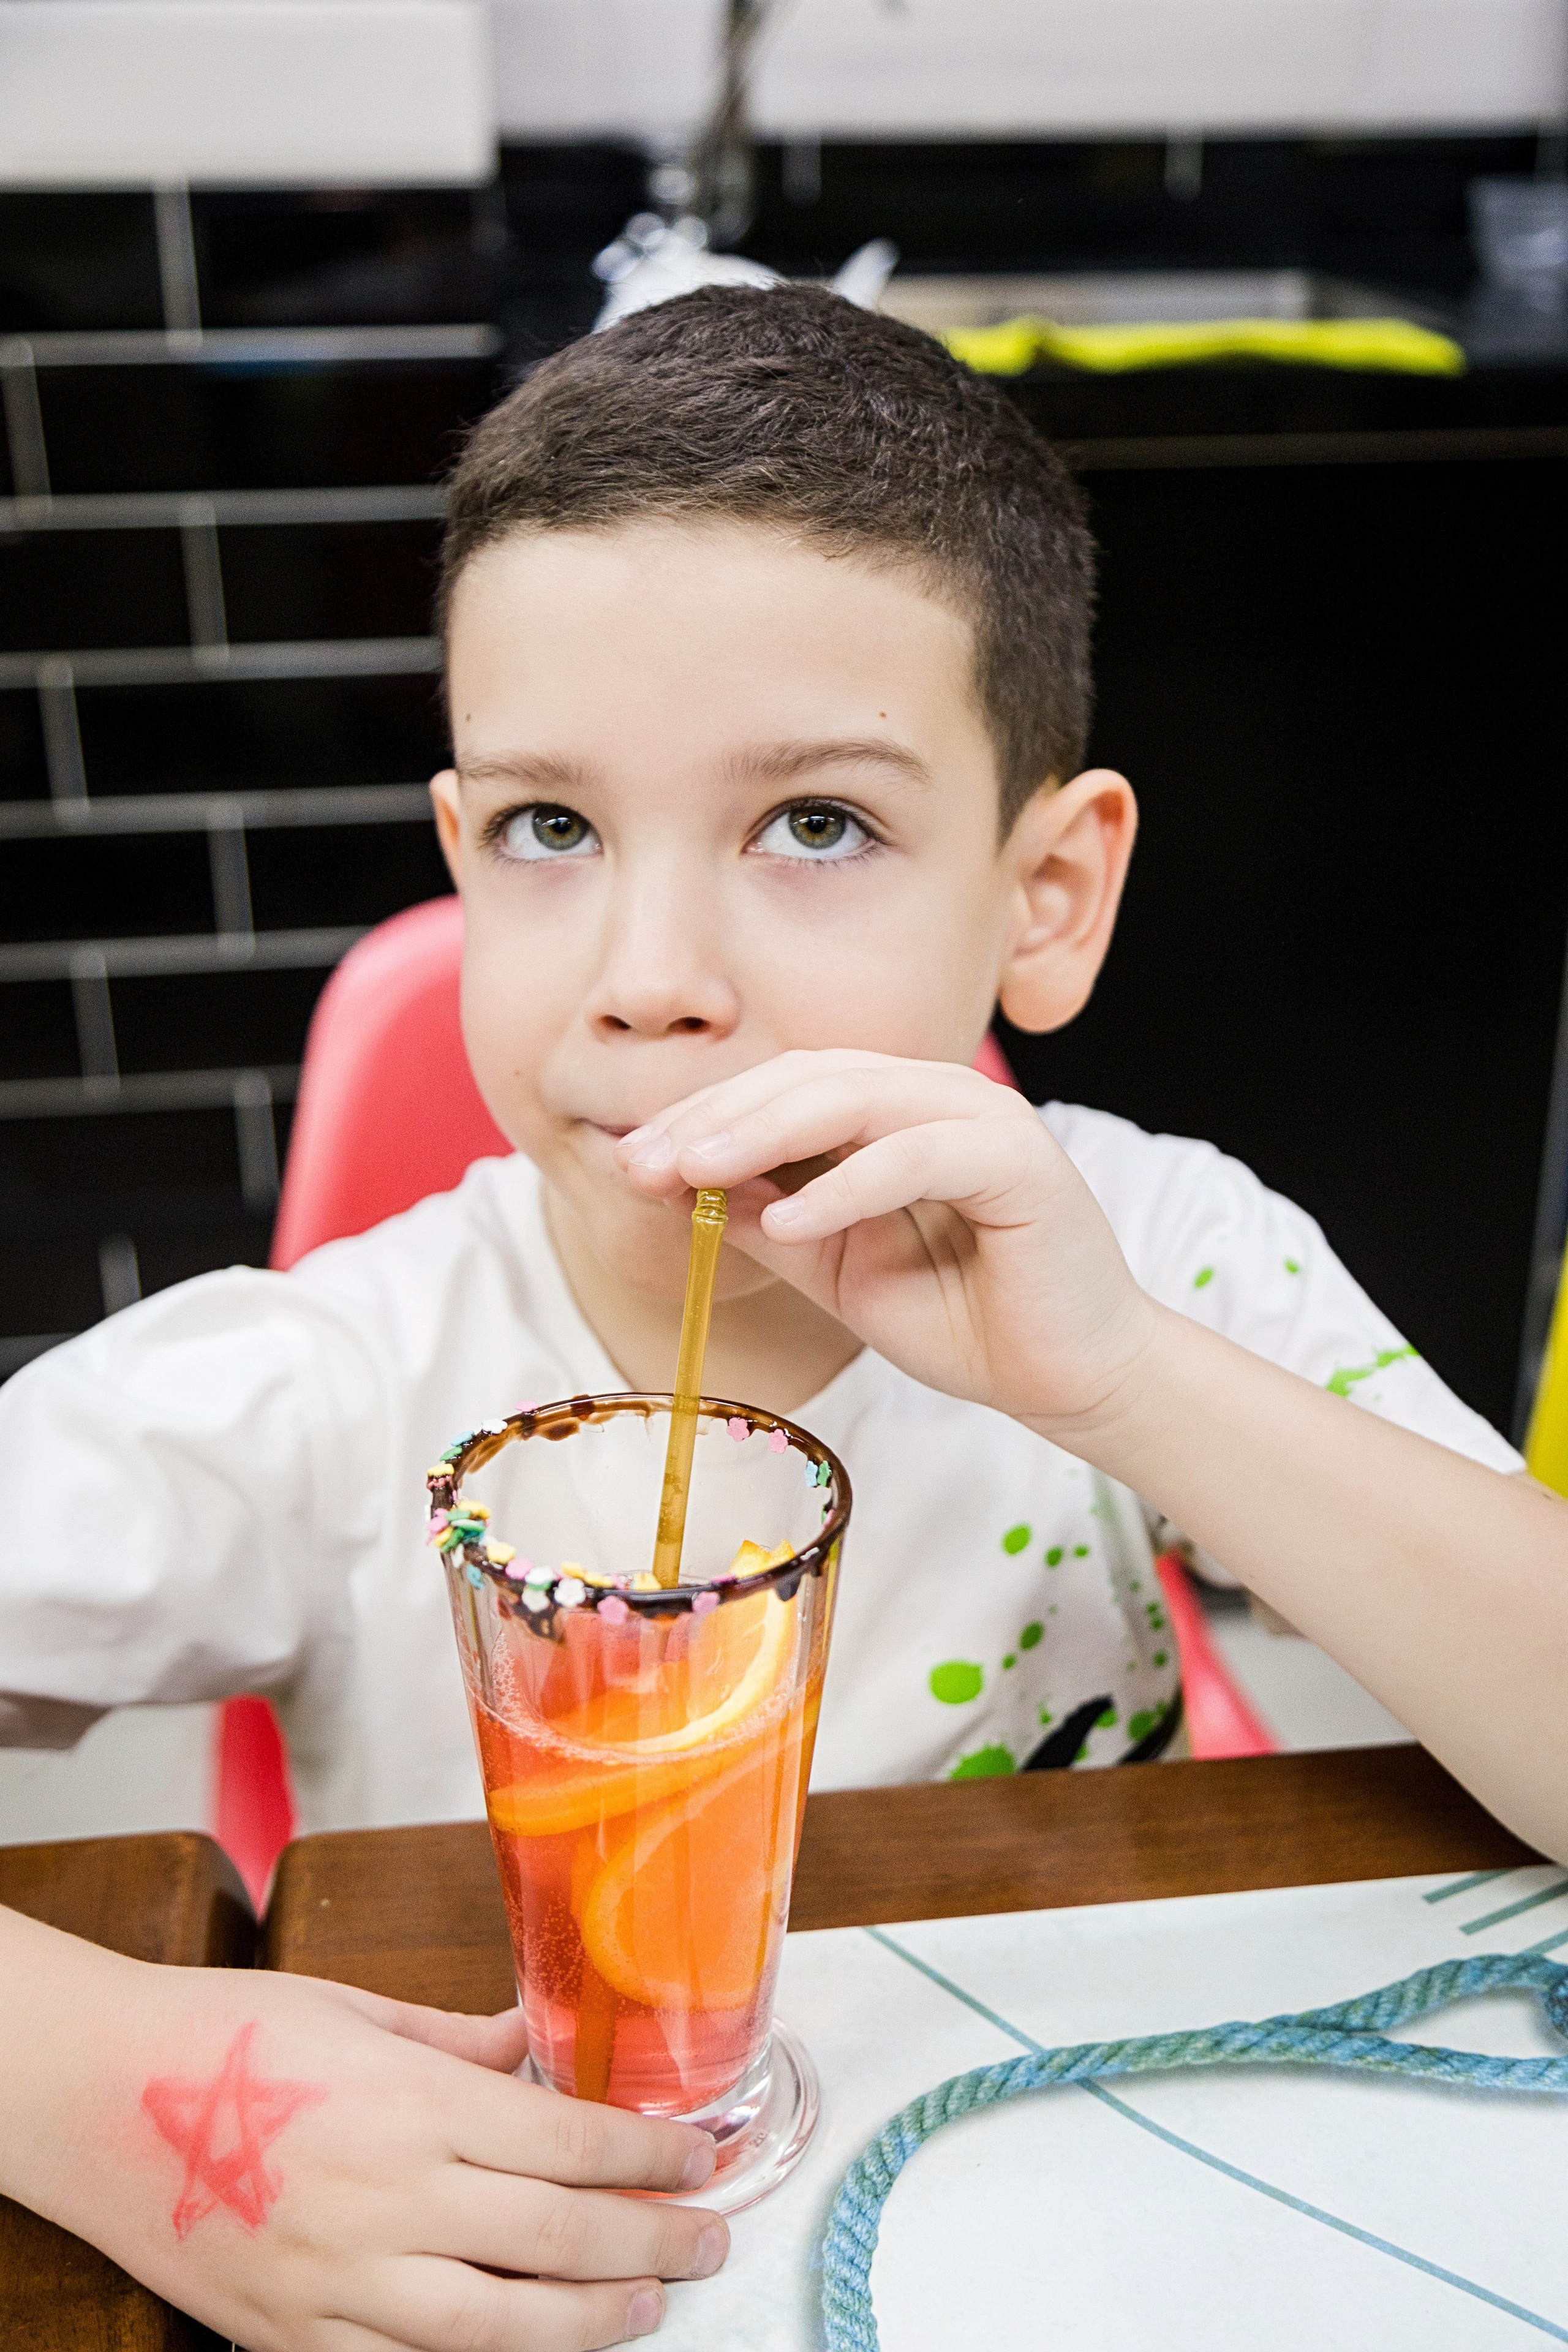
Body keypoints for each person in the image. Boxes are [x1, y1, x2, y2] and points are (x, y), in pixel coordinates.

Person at [2, 283, 1565, 2344]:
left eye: (815, 823)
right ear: (466, 855)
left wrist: (1128, 1384)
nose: (651, 972)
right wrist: (115, 2096)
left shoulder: (1166, 1252)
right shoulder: (319, 1388)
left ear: (1045, 899)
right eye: (555, 828)